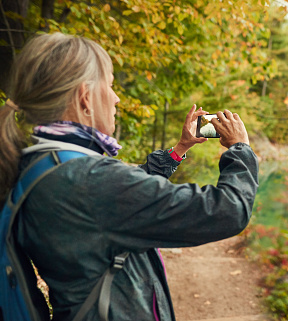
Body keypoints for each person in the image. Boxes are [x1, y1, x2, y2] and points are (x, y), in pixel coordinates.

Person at [0, 33, 258, 320]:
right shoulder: (88, 180)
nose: (116, 97)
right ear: (86, 98)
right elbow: (228, 209)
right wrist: (240, 149)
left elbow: (122, 196)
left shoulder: (42, 166)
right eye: (110, 86)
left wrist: (179, 149)